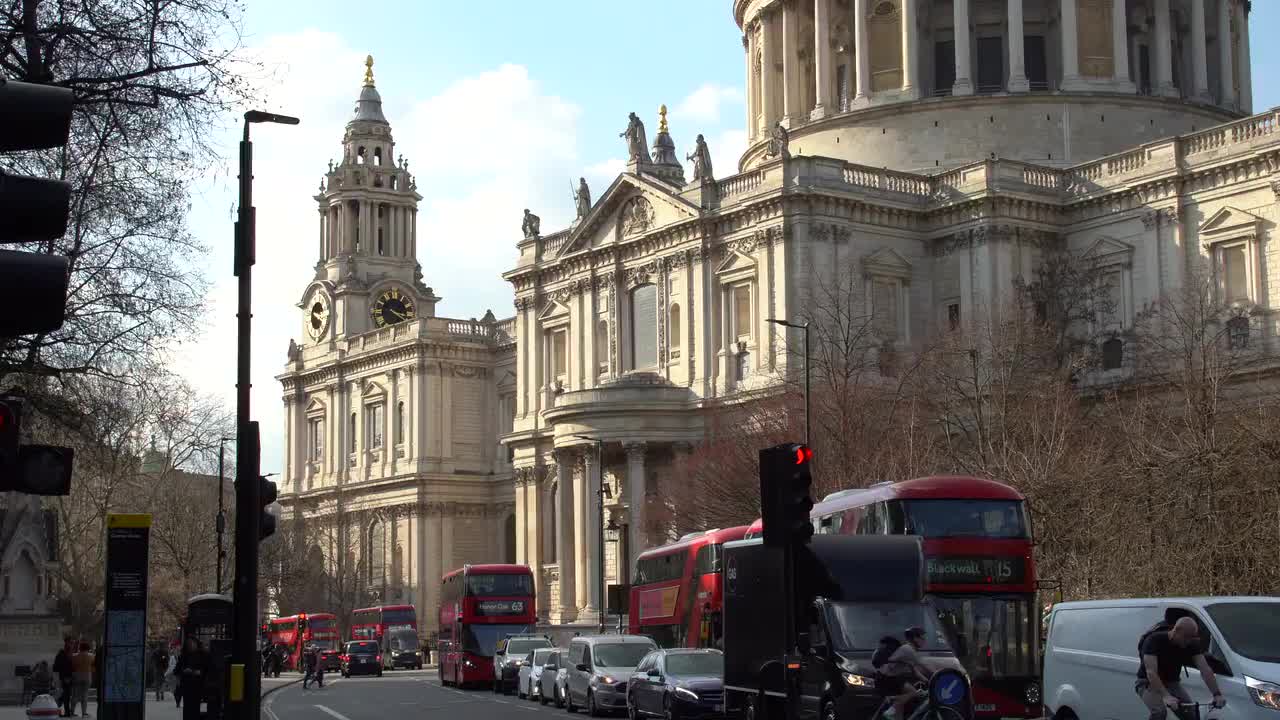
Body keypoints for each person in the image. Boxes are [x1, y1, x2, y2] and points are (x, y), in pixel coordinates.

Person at [1136, 616, 1226, 719]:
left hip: (1172, 683)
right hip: (1147, 682)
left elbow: (1205, 669)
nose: (1188, 641)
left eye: (1191, 637)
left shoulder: (1191, 643)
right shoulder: (1154, 640)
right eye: (1186, 637)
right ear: (1176, 630)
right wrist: (1166, 696)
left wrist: (1217, 694)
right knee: (1159, 712)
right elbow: (1151, 672)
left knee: (1191, 714)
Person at [881, 627, 933, 720]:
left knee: (899, 714)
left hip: (893, 678)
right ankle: (892, 707)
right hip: (888, 678)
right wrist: (939, 674)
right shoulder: (908, 649)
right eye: (922, 638)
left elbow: (914, 671)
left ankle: (893, 701)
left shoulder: (908, 649)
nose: (924, 641)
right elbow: (923, 664)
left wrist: (927, 681)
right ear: (915, 638)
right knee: (914, 693)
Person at [175, 637, 209, 720]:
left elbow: (208, 669)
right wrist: (184, 671)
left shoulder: (203, 655)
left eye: (192, 644)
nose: (190, 646)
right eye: (188, 644)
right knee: (187, 708)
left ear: (196, 644)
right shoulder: (183, 656)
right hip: (187, 685)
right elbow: (176, 670)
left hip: (198, 685)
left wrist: (197, 672)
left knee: (195, 707)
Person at [69, 641, 93, 718]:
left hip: (77, 675)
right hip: (87, 675)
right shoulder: (91, 656)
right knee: (85, 694)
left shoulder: (74, 656)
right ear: (88, 648)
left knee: (75, 695)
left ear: (80, 648)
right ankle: (84, 713)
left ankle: (72, 712)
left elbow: (71, 665)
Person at [53, 638, 73, 717]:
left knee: (64, 696)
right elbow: (66, 667)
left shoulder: (62, 655)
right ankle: (63, 711)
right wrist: (67, 677)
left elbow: (56, 668)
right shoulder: (64, 655)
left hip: (64, 677)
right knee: (65, 696)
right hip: (65, 678)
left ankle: (59, 710)